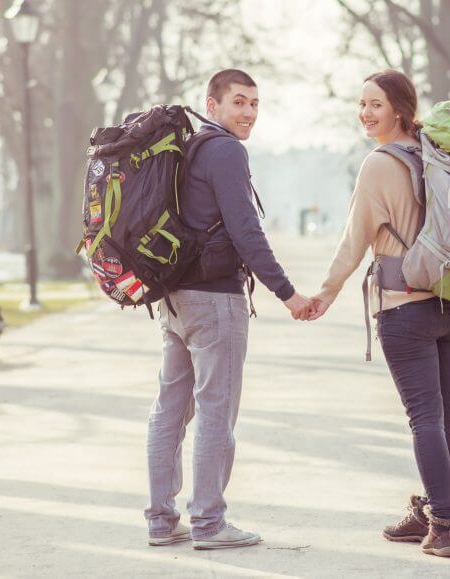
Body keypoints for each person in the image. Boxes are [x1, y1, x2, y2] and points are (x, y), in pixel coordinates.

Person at [143, 69, 313, 550]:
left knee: (170, 409)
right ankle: (209, 522)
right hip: (215, 300)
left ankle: (161, 519)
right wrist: (287, 292)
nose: (249, 113)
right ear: (212, 104)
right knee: (216, 411)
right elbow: (245, 230)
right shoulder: (226, 151)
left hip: (175, 296)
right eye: (239, 102)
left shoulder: (188, 148)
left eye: (255, 104)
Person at [309, 70, 450, 558]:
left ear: (400, 108)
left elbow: (354, 240)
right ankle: (429, 509)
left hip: (405, 307)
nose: (365, 113)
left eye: (375, 104)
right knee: (448, 419)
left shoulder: (379, 164)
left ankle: (443, 522)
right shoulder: (435, 154)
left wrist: (325, 293)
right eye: (361, 104)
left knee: (425, 418)